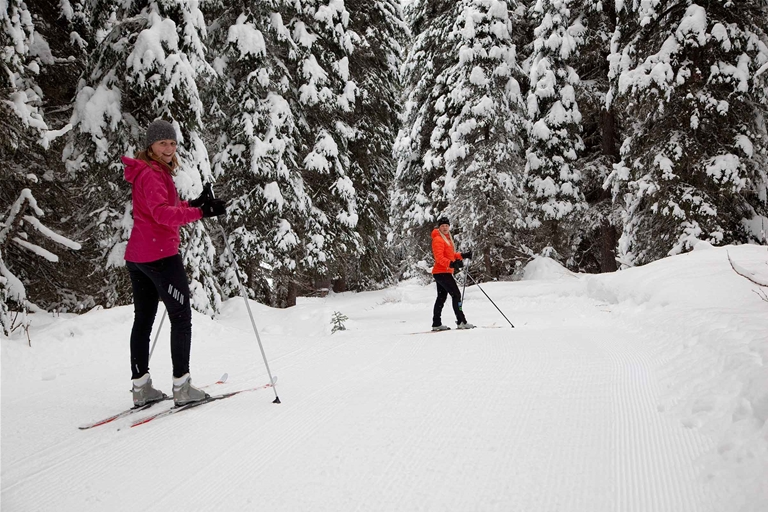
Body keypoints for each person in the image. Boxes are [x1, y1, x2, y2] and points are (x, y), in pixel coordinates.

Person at [122, 119, 227, 407]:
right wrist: (201, 214)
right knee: (181, 318)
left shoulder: (149, 171)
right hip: (160, 256)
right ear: (151, 146)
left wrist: (195, 204)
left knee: (143, 320)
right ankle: (182, 387)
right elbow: (162, 215)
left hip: (139, 256)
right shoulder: (153, 174)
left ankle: (141, 388)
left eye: (171, 142)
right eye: (162, 143)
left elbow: (167, 207)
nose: (168, 148)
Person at [430, 217, 475, 331]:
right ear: (439, 227)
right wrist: (451, 264)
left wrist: (462, 255)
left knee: (441, 297)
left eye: (446, 226)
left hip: (442, 272)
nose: (445, 228)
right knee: (456, 295)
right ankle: (461, 321)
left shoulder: (447, 239)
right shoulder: (438, 239)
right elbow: (439, 258)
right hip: (442, 272)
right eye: (442, 226)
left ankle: (436, 323)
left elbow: (451, 256)